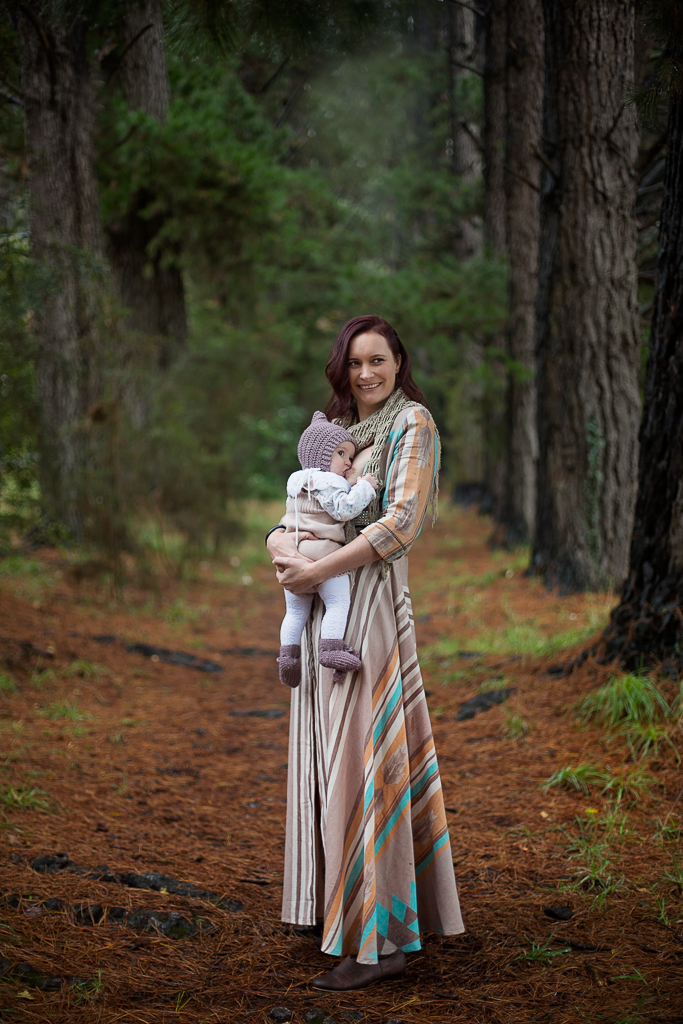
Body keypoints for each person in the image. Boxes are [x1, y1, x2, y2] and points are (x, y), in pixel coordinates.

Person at [266, 315, 464, 992]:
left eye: (376, 360)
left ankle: (381, 938)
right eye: (354, 363)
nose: (365, 374)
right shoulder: (336, 427)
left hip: (371, 611)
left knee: (362, 760)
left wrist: (317, 572)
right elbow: (299, 505)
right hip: (325, 607)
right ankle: (332, 909)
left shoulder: (413, 425)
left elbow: (401, 522)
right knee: (329, 757)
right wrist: (281, 547)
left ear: (398, 361)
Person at [277, 411, 379, 687]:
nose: (348, 462)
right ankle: (330, 649)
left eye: (350, 455)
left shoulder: (296, 483)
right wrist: (365, 487)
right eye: (341, 454)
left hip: (295, 554)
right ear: (321, 458)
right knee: (337, 602)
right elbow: (344, 509)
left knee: (295, 612)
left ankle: (288, 656)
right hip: (323, 553)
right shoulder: (329, 482)